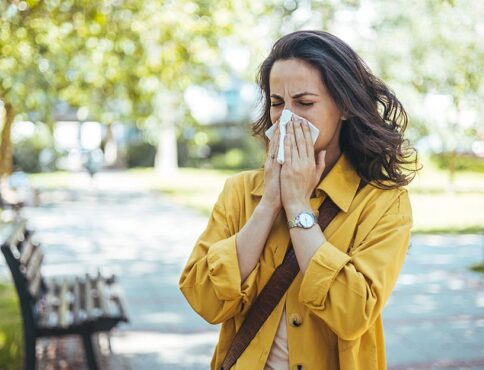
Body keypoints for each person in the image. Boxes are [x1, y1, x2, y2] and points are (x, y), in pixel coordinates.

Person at [179, 30, 419, 370]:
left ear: (345, 107)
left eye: (304, 103)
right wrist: (268, 206)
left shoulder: (383, 203)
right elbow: (204, 299)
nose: (286, 117)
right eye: (278, 103)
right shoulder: (239, 192)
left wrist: (297, 207)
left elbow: (353, 314)